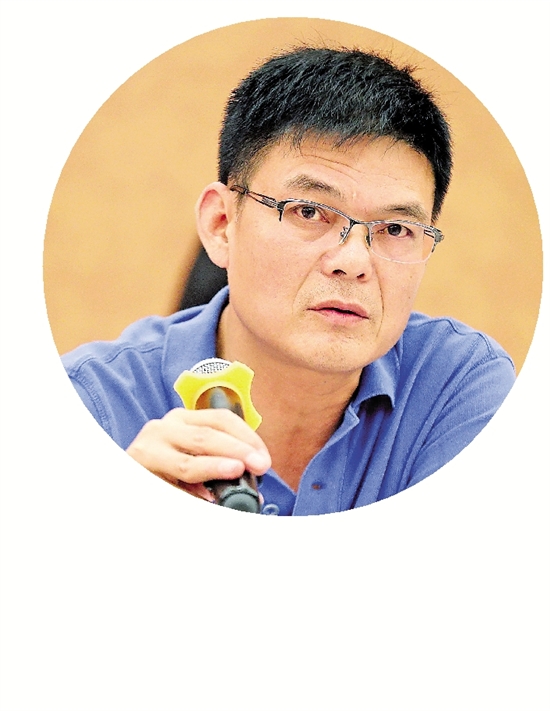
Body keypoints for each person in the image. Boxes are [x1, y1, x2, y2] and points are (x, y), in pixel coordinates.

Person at [62, 47, 516, 516]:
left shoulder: (456, 386)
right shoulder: (90, 404)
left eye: (396, 229)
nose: (353, 262)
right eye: (309, 211)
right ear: (221, 224)